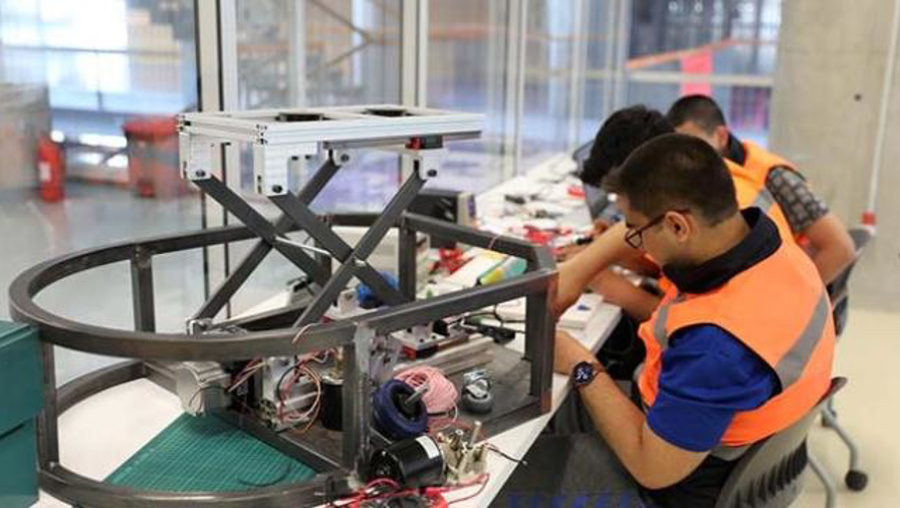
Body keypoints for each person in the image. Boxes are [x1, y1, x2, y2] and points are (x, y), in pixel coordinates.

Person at [503, 134, 835, 507]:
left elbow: (652, 469)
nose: (635, 242)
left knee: (495, 483)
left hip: (672, 482)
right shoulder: (775, 252)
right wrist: (586, 268)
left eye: (636, 231)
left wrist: (583, 366)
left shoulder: (717, 346)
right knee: (532, 407)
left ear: (678, 227)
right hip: (706, 435)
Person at [560, 105, 794, 322]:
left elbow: (683, 320)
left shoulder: (705, 212)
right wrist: (613, 258)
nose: (622, 211)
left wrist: (599, 278)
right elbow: (672, 276)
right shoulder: (710, 177)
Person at [667, 94, 855, 284]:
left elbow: (840, 248)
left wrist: (797, 297)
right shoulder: (711, 178)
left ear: (721, 136)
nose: (685, 159)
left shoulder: (775, 178)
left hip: (788, 283)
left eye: (695, 145)